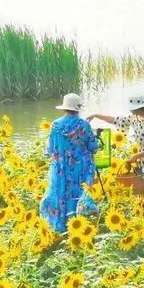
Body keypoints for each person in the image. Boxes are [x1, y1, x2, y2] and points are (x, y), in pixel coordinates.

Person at [87, 92, 144, 216]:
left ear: (140, 107)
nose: (131, 111)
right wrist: (96, 115)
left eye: (133, 108)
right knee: (142, 190)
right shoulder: (135, 117)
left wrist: (136, 156)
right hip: (142, 161)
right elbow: (116, 120)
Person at [40, 93, 98, 233]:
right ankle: (79, 221)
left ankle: (62, 225)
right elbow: (93, 147)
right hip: (80, 166)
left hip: (61, 167)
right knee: (78, 191)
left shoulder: (55, 125)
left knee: (61, 192)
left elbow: (50, 149)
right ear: (78, 108)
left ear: (64, 108)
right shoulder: (83, 124)